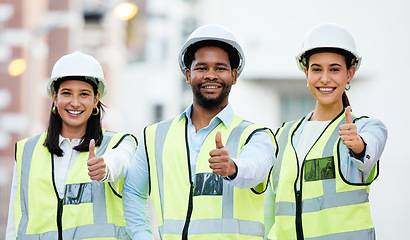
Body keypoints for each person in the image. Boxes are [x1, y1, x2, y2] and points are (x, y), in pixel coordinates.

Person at [123, 24, 276, 240]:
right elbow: (133, 193)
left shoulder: (255, 135)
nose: (211, 75)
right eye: (202, 68)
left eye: (220, 68)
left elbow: (256, 168)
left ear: (233, 75)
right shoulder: (154, 136)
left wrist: (233, 168)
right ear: (188, 75)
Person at [264, 23, 388, 240]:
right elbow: (269, 207)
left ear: (349, 74)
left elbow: (367, 153)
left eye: (334, 69)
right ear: (306, 73)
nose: (324, 78)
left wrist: (358, 145)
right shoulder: (283, 135)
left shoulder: (367, 128)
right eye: (316, 69)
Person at [6, 51, 137, 240]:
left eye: (84, 94)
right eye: (66, 93)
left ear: (95, 100)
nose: (75, 103)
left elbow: (120, 162)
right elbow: (14, 222)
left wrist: (105, 168)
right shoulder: (27, 151)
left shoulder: (119, 144)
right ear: (55, 97)